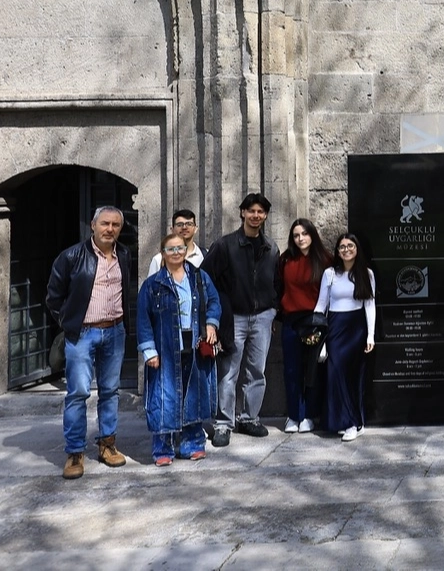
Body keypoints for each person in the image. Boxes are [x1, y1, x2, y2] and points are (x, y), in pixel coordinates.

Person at [46, 206, 134, 479]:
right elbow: (53, 296)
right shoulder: (71, 256)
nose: (110, 229)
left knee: (110, 390)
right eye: (105, 223)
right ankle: (74, 452)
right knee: (78, 392)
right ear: (93, 225)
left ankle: (107, 444)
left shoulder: (124, 254)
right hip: (83, 334)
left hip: (115, 331)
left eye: (115, 225)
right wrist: (69, 323)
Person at [201, 192, 279, 446]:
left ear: (265, 216)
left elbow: (276, 282)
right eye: (251, 211)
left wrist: (273, 309)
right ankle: (223, 423)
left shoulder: (271, 248)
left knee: (257, 371)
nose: (256, 215)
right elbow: (205, 279)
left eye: (260, 212)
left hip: (262, 316)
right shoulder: (225, 245)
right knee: (228, 372)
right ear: (242, 213)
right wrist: (216, 313)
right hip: (233, 317)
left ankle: (249, 418)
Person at [137, 232, 222, 465]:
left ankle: (192, 444)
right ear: (162, 254)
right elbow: (143, 319)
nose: (176, 253)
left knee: (193, 396)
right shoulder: (152, 284)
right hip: (165, 348)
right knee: (164, 398)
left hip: (194, 345)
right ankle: (162, 449)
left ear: (186, 251)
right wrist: (149, 351)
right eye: (171, 249)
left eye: (180, 248)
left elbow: (214, 302)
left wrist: (211, 323)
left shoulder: (199, 277)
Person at [313, 233, 377, 441]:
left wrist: (370, 335)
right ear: (337, 251)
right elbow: (321, 304)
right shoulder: (330, 273)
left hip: (356, 328)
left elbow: (370, 305)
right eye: (342, 247)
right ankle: (348, 421)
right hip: (335, 327)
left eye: (350, 246)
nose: (346, 250)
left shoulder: (366, 274)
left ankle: (354, 423)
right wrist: (315, 330)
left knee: (352, 375)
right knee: (335, 373)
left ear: (357, 249)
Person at [277, 218, 333, 433]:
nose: (300, 239)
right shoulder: (285, 260)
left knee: (312, 370)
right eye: (296, 235)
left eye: (304, 234)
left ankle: (309, 415)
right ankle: (294, 415)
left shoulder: (325, 260)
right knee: (292, 370)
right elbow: (278, 288)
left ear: (312, 235)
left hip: (314, 320)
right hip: (291, 321)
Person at [147, 209, 206, 274]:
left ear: (195, 229)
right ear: (172, 229)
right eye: (179, 225)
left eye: (189, 224)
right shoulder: (158, 259)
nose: (184, 227)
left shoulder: (206, 255)